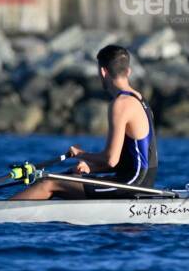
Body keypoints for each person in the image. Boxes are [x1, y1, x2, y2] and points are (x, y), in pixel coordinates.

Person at [12, 44, 158, 200]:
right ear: (128, 71)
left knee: (48, 182)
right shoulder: (140, 99)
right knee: (67, 176)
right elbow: (127, 159)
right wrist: (91, 167)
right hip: (141, 181)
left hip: (130, 184)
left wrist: (81, 154)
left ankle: (1, 213)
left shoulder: (121, 104)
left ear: (103, 72)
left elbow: (111, 160)